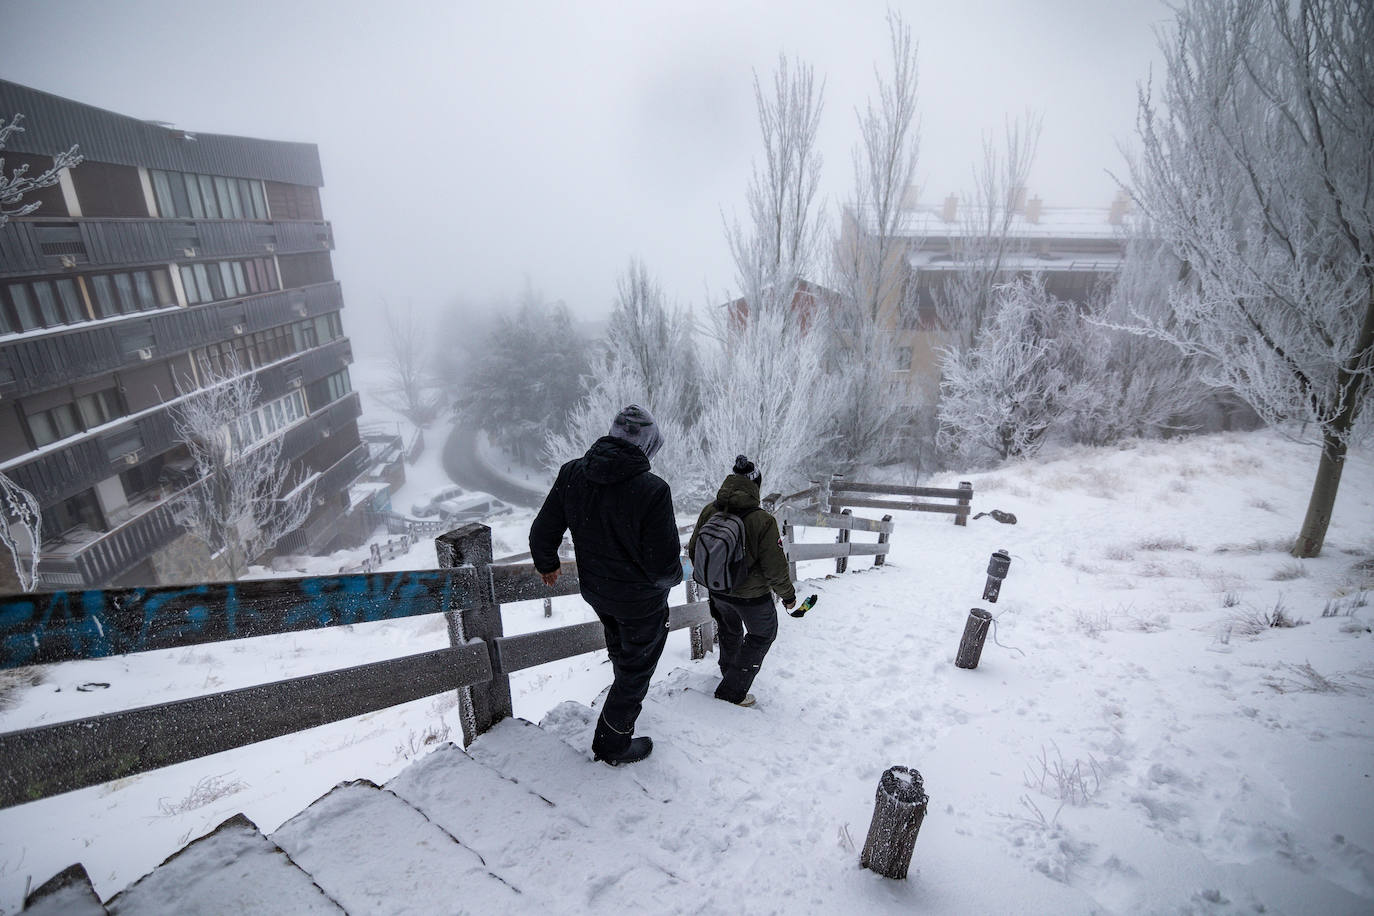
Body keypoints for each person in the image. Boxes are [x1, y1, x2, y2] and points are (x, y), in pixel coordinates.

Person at [529, 404, 683, 766]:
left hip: (598, 592)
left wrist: (547, 564)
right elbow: (663, 566)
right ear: (648, 447)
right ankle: (612, 742)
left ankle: (618, 704)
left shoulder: (573, 473)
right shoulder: (653, 490)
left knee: (621, 647)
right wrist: (676, 578)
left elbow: (542, 531)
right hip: (640, 601)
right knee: (637, 668)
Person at [687, 455, 796, 707]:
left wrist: (719, 576)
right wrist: (788, 596)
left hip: (718, 591)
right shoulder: (763, 520)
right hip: (752, 597)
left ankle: (729, 674)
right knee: (763, 634)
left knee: (729, 630)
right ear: (755, 485)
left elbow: (693, 549)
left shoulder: (710, 510)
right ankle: (732, 691)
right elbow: (775, 568)